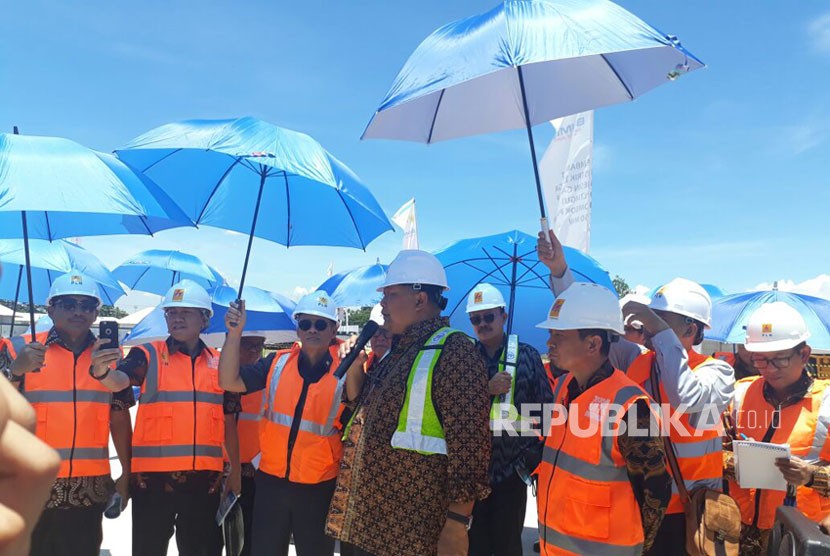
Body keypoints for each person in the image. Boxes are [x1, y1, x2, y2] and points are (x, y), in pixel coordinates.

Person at [537, 229, 735, 554]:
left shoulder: (717, 371)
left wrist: (657, 328)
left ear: (691, 329)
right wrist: (560, 271)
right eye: (649, 324)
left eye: (661, 323)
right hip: (645, 509)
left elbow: (684, 395)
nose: (648, 331)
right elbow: (589, 330)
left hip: (690, 509)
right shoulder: (639, 361)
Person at [326, 249, 491, 556]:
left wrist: (456, 523)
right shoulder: (398, 352)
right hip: (372, 525)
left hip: (415, 532)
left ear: (419, 299)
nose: (382, 305)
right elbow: (362, 412)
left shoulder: (454, 351)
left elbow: (469, 446)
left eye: (390, 295)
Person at [91, 280, 236, 556]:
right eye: (171, 312)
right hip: (152, 483)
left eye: (186, 312)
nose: (176, 318)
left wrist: (235, 472)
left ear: (204, 318)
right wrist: (102, 373)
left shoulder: (220, 363)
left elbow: (229, 420)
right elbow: (120, 380)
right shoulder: (147, 354)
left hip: (205, 484)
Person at [535, 281, 671, 555]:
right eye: (551, 333)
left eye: (559, 335)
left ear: (593, 343)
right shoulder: (563, 387)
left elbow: (655, 490)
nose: (549, 342)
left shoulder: (632, 408)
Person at [2, 273, 133, 556]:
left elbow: (120, 417)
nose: (78, 311)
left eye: (87, 306)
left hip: (89, 488)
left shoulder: (110, 356)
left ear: (97, 313)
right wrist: (15, 371)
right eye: (68, 304)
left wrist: (126, 470)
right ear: (50, 309)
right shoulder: (18, 348)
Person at [219, 291, 346, 556]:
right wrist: (233, 334)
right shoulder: (276, 363)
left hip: (318, 486)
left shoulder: (349, 367)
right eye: (305, 323)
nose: (312, 330)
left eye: (321, 324)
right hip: (272, 483)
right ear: (298, 328)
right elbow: (229, 381)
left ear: (334, 328)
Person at [724, 302, 830, 555]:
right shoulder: (740, 393)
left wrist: (810, 475)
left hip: (801, 534)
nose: (768, 369)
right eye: (760, 360)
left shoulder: (826, 403)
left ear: (804, 354)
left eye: (779, 360)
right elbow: (715, 451)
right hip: (741, 530)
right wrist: (736, 462)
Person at [464, 283, 552, 556]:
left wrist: (533, 456)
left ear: (503, 316)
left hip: (512, 471)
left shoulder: (526, 355)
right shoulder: (465, 359)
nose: (483, 324)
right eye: (476, 319)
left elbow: (545, 410)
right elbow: (454, 410)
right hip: (474, 473)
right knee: (474, 546)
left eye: (489, 316)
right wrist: (485, 390)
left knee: (508, 547)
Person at [222, 332, 267, 556]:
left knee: (247, 540)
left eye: (259, 346)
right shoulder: (217, 378)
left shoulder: (267, 383)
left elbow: (274, 428)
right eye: (248, 345)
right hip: (220, 472)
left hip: (252, 474)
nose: (254, 351)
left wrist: (255, 464)